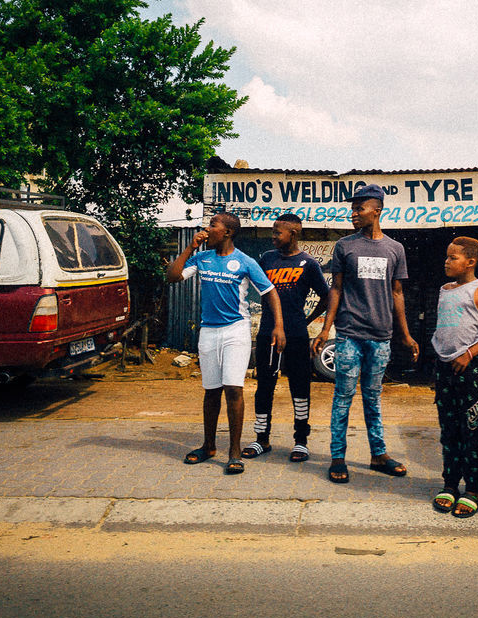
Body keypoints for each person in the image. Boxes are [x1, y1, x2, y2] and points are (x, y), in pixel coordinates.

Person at [311, 183, 420, 484]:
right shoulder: (345, 246)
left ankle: (378, 455)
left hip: (381, 336)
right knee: (343, 397)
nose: (353, 213)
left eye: (359, 208)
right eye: (353, 208)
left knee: (373, 397)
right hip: (349, 334)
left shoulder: (395, 249)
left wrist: (405, 334)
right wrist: (325, 328)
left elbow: (397, 293)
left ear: (378, 210)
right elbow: (336, 289)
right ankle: (337, 457)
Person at [167, 212, 284, 475]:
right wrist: (190, 247)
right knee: (211, 391)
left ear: (228, 232)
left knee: (233, 389)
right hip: (208, 331)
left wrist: (278, 325)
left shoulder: (245, 261)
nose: (207, 229)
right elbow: (173, 277)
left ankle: (233, 452)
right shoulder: (202, 257)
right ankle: (208, 446)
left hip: (236, 331)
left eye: (212, 225)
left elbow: (270, 292)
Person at [243, 213, 330, 462]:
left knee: (299, 386)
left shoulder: (308, 264)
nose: (273, 236)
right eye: (272, 232)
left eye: (277, 232)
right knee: (265, 386)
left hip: (296, 335)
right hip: (268, 333)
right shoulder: (267, 259)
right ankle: (261, 438)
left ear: (293, 233)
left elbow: (326, 296)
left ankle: (301, 441)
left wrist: (307, 320)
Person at [429, 237, 478, 518]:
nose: (446, 262)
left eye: (453, 258)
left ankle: (473, 488)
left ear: (470, 262)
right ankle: (450, 484)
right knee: (448, 430)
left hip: (471, 369)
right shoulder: (444, 289)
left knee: (470, 430)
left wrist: (470, 353)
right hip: (445, 368)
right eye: (447, 257)